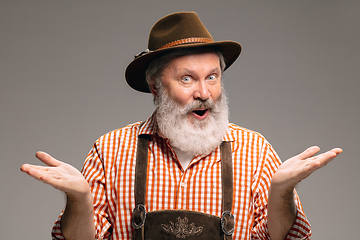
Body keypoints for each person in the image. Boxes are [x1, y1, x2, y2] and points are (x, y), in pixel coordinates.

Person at [21, 12, 342, 240]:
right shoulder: (110, 151)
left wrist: (281, 194)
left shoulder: (256, 152)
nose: (203, 93)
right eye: (187, 78)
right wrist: (79, 201)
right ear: (155, 84)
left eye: (212, 77)